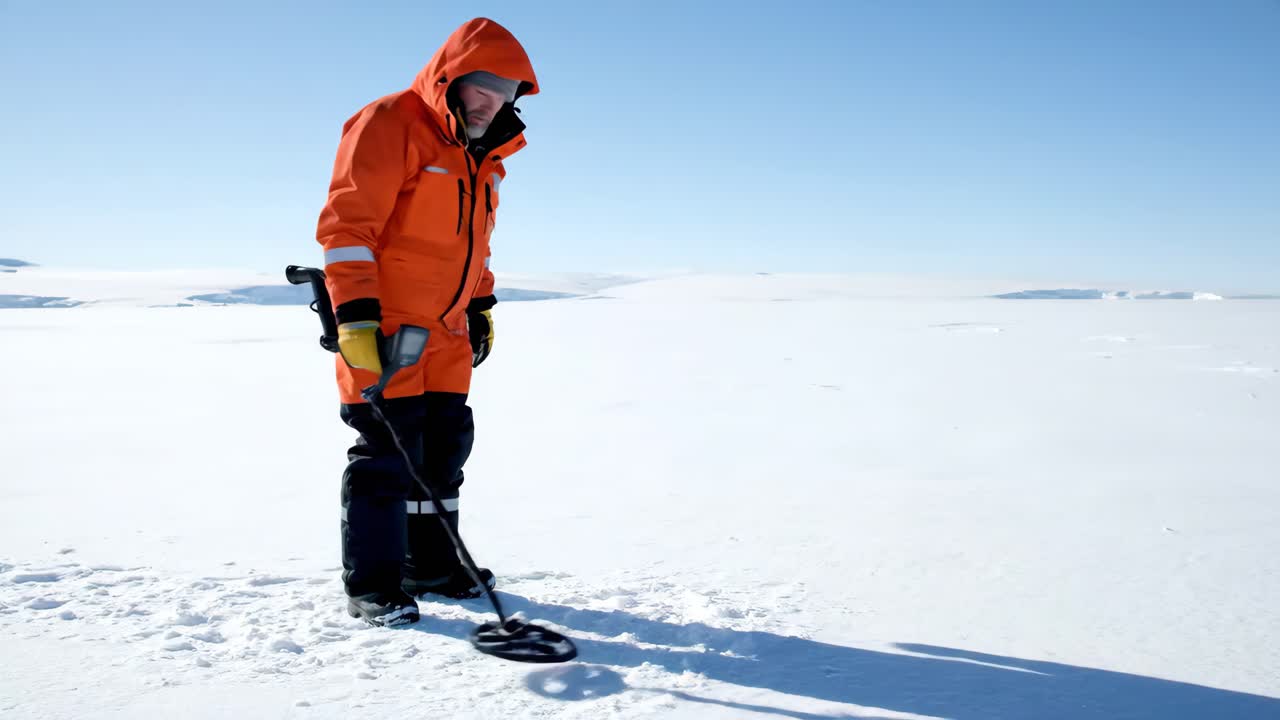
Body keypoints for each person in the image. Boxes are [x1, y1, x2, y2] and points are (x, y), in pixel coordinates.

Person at [313, 17, 539, 627]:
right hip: (384, 325)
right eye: (482, 89)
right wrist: (355, 314)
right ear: (451, 79)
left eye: (506, 95)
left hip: (447, 333)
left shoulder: (482, 157)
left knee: (442, 450)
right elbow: (347, 227)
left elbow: (472, 247)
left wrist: (481, 303)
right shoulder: (392, 122)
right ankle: (374, 585)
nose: (493, 105)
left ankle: (432, 565)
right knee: (387, 451)